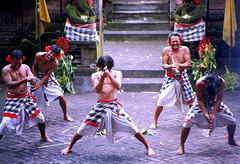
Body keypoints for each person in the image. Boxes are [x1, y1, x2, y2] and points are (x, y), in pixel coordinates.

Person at [61, 55, 155, 156]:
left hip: (113, 105)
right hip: (100, 105)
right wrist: (102, 77)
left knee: (131, 127)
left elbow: (118, 86)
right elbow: (97, 90)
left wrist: (109, 75)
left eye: (108, 66)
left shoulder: (117, 74)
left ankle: (148, 146)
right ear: (100, 66)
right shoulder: (95, 75)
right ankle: (70, 146)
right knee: (84, 127)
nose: (106, 69)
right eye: (104, 67)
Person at [176, 73, 240, 155]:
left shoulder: (221, 82)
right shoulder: (200, 83)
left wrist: (213, 114)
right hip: (201, 102)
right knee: (187, 122)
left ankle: (231, 139)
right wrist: (205, 113)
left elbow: (219, 100)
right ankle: (181, 146)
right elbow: (199, 100)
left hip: (215, 102)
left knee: (232, 120)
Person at [0, 50, 52, 142]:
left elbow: (32, 79)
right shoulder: (6, 70)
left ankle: (43, 136)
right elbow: (9, 85)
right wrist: (24, 80)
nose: (17, 66)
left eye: (19, 63)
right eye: (14, 63)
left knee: (40, 117)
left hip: (26, 97)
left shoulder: (25, 67)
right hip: (13, 99)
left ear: (22, 60)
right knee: (4, 124)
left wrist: (33, 81)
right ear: (10, 60)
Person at [149, 32, 195, 129]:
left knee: (191, 100)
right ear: (169, 42)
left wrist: (180, 66)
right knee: (161, 99)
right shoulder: (166, 50)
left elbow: (188, 63)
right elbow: (164, 65)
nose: (175, 44)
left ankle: (194, 119)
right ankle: (154, 121)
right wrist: (170, 67)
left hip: (182, 76)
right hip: (170, 77)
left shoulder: (185, 49)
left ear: (180, 41)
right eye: (173, 42)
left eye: (177, 42)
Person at [31, 45, 73, 122]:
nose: (51, 55)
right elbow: (34, 66)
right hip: (36, 75)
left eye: (54, 55)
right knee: (30, 94)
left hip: (48, 78)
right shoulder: (39, 55)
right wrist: (33, 78)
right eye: (51, 52)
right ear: (48, 50)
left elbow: (47, 75)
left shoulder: (55, 63)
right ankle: (31, 114)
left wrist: (39, 85)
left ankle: (65, 115)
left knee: (60, 95)